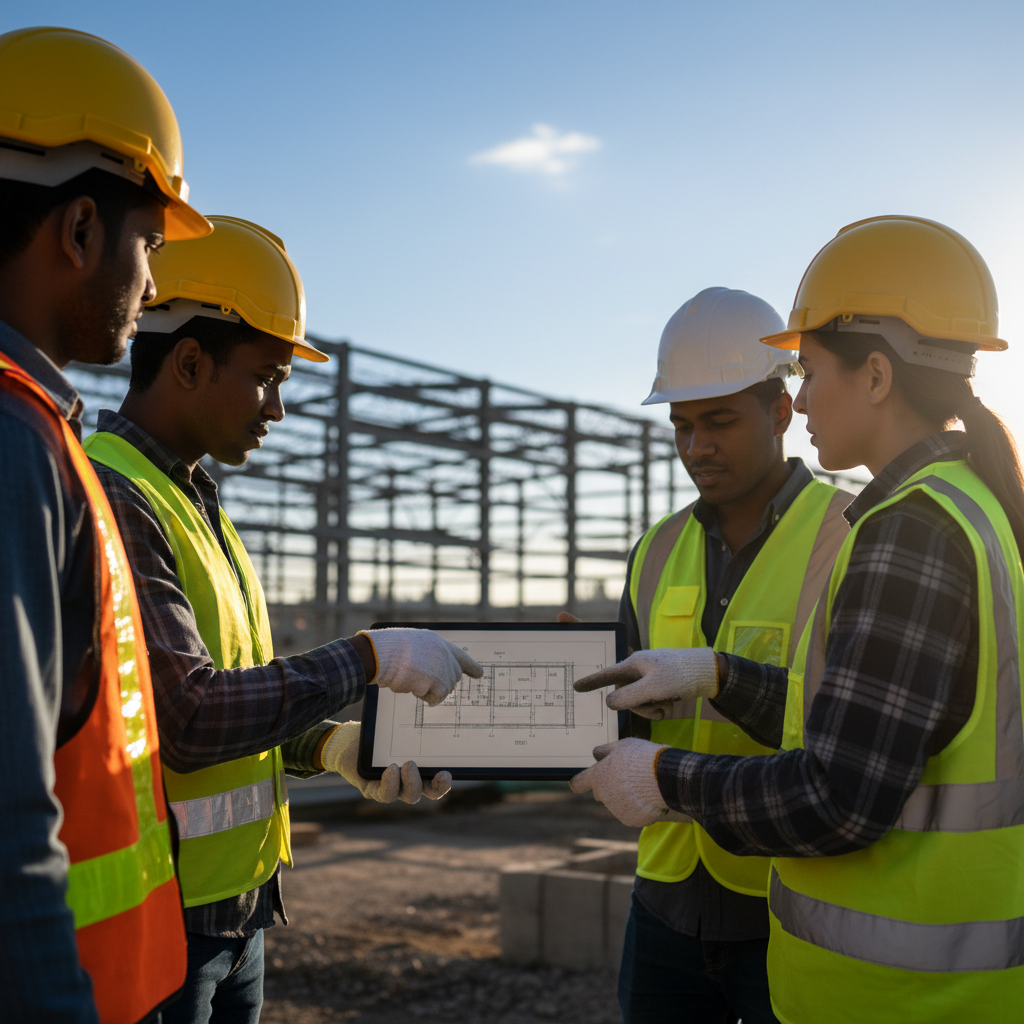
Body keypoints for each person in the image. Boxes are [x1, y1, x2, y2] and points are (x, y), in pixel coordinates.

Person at [570, 216, 1024, 1023]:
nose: (805, 394)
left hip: (898, 988)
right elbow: (873, 722)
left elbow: (840, 794)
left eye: (810, 372)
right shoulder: (968, 508)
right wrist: (719, 676)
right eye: (683, 426)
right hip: (838, 948)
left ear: (876, 376)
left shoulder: (897, 531)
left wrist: (665, 778)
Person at [84, 215, 480, 1024]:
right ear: (190, 362)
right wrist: (367, 658)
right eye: (267, 377)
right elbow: (190, 718)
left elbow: (224, 696)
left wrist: (328, 747)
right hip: (162, 921)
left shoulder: (197, 506)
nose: (279, 407)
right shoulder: (116, 496)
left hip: (238, 912)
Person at [0, 26, 212, 1024]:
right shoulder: (13, 445)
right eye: (151, 246)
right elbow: (8, 822)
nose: (152, 285)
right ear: (80, 230)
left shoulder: (39, 430)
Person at [612, 287, 852, 1024]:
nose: (696, 447)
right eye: (682, 426)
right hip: (664, 898)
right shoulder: (655, 550)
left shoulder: (852, 533)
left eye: (718, 421)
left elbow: (852, 733)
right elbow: (624, 726)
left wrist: (721, 678)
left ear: (781, 411)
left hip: (790, 900)